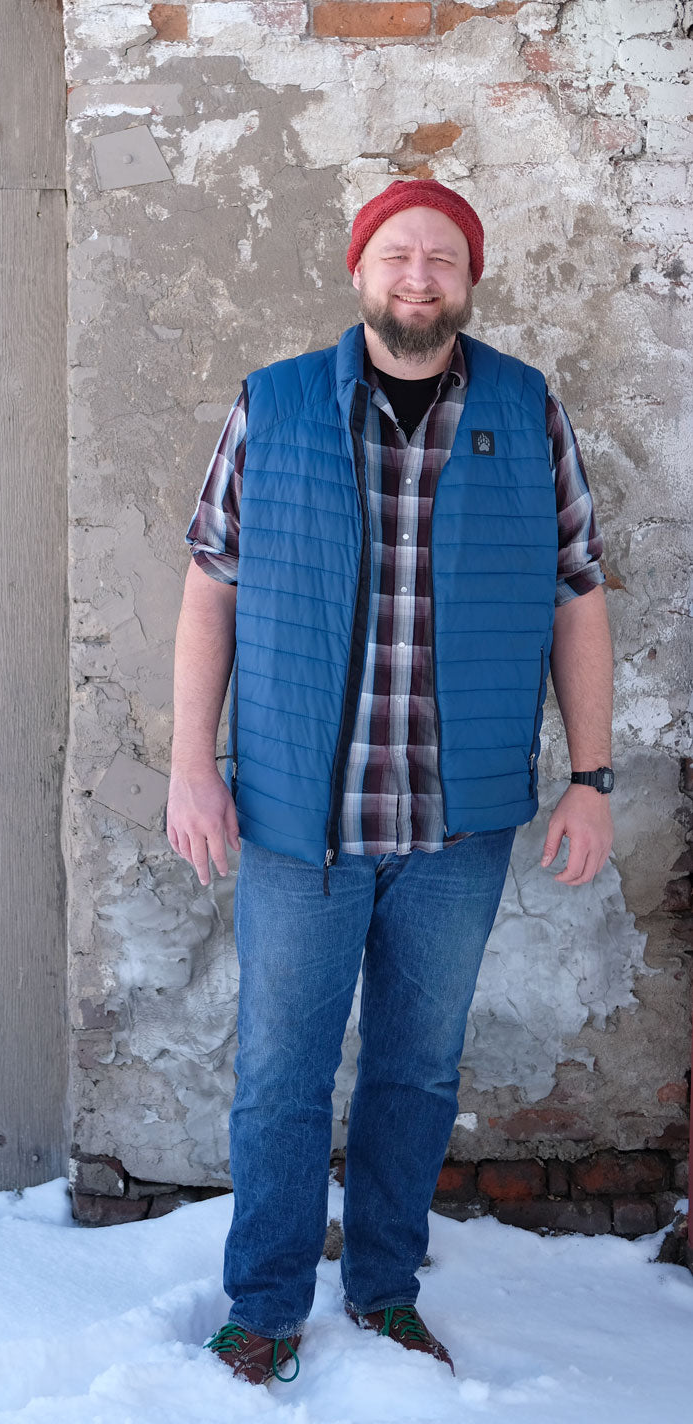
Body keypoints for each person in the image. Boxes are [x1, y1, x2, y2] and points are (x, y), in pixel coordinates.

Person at [166, 179, 614, 1386]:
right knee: (280, 1074)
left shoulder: (525, 411)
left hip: (456, 824)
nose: (419, 278)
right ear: (360, 269)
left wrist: (591, 774)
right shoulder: (276, 406)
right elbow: (212, 585)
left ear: (470, 278)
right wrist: (188, 768)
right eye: (397, 256)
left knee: (416, 1069)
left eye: (443, 260)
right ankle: (263, 1303)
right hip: (296, 818)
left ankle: (383, 1289)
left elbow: (578, 593)